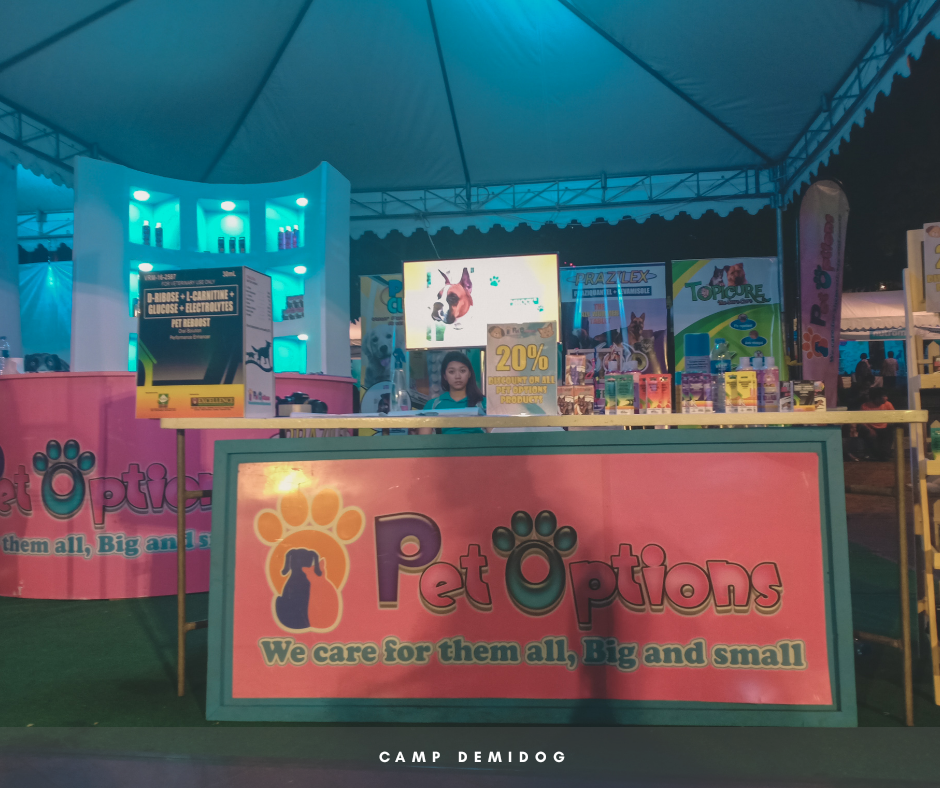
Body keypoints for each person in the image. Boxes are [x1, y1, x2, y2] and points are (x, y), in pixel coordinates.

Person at [418, 351, 486, 435]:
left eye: (462, 371)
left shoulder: (483, 403)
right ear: (445, 376)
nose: (457, 376)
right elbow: (424, 440)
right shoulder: (432, 405)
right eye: (451, 372)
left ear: (469, 374)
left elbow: (496, 437)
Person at [859, 388, 895, 460]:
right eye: (883, 396)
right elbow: (861, 420)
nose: (886, 398)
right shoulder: (865, 406)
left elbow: (894, 416)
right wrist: (870, 429)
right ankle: (873, 455)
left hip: (884, 427)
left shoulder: (888, 404)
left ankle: (885, 454)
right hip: (871, 428)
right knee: (865, 433)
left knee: (889, 433)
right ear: (876, 398)